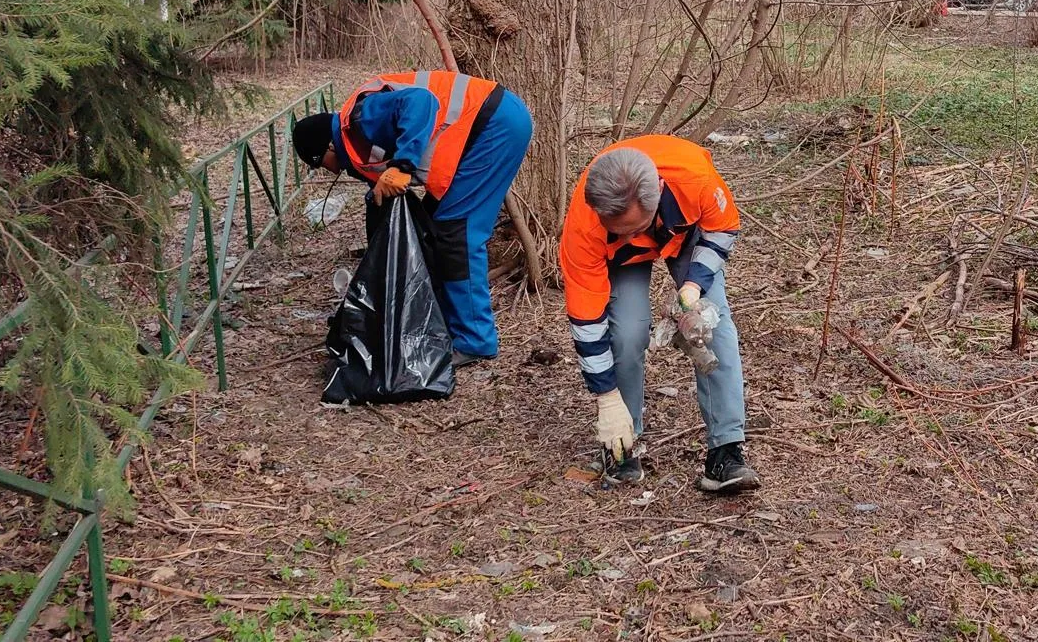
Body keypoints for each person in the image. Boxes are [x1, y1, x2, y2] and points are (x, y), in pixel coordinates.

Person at [560, 136, 760, 494]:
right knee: (627, 332)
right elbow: (588, 321)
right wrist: (605, 397)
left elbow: (722, 228)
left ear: (658, 195)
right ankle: (622, 445)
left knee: (713, 326)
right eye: (620, 229)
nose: (630, 236)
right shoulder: (585, 226)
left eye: (634, 228)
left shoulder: (696, 179)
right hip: (618, 257)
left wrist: (694, 284)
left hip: (683, 232)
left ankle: (726, 451)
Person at [292, 71, 531, 365]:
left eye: (319, 163)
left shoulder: (360, 117)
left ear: (328, 146)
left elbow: (421, 102)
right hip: (485, 128)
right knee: (432, 228)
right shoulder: (355, 145)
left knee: (457, 235)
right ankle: (446, 321)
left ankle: (475, 341)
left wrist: (403, 165)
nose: (329, 170)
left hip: (493, 127)